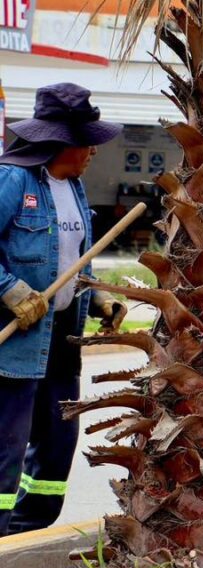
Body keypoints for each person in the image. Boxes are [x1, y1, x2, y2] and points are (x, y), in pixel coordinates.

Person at [0, 83, 126, 535]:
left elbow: (74, 259)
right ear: (61, 141)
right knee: (7, 446)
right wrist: (9, 288)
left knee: (57, 442)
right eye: (86, 141)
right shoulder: (12, 180)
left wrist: (100, 297)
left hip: (60, 336)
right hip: (16, 343)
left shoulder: (72, 187)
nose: (93, 150)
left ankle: (27, 531)